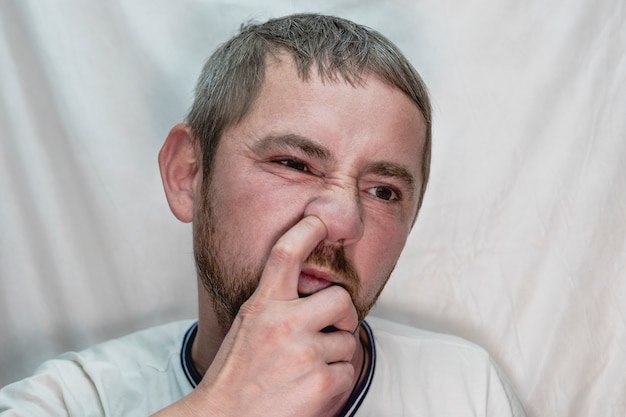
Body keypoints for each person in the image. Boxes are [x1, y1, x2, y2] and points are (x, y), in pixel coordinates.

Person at [0, 13, 526, 417]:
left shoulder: (465, 386)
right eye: (294, 163)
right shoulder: (76, 398)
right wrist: (227, 405)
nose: (343, 220)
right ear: (188, 173)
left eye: (383, 191)